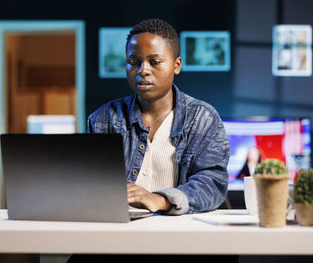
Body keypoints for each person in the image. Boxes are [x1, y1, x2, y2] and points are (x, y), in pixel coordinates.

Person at [87, 18, 230, 215]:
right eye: (133, 62)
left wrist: (161, 199)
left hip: (180, 236)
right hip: (118, 233)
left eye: (154, 62)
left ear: (176, 65)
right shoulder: (103, 119)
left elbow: (212, 183)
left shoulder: (203, 119)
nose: (143, 70)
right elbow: (90, 183)